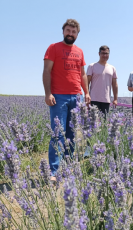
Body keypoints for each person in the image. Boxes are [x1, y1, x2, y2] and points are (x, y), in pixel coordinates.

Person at [42, 19, 90, 180]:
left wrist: (87, 93)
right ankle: (54, 171)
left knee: (72, 134)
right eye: (68, 30)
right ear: (63, 31)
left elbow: (82, 74)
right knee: (57, 133)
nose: (71, 34)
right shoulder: (53, 47)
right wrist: (48, 93)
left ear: (77, 34)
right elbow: (47, 71)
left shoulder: (79, 51)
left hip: (77, 96)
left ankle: (69, 169)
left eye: (74, 31)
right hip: (58, 96)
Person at [87, 45, 118, 115]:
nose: (105, 55)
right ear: (99, 54)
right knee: (92, 122)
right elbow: (87, 82)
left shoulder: (112, 68)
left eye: (106, 53)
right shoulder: (92, 66)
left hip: (106, 100)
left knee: (104, 123)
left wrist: (115, 99)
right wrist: (87, 96)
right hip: (93, 99)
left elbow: (114, 84)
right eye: (103, 53)